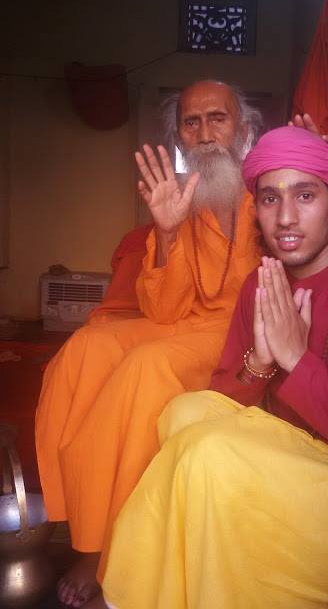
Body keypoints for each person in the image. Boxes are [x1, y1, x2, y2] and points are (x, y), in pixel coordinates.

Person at [100, 126, 328, 609]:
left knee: (209, 455)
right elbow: (227, 399)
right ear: (257, 209)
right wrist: (263, 361)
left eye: (305, 196)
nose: (285, 217)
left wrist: (298, 361)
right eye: (269, 199)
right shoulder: (261, 287)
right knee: (183, 414)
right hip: (300, 467)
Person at [36, 80, 263, 607]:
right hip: (181, 320)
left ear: (243, 128)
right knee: (84, 350)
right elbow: (163, 308)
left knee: (146, 366)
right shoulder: (186, 198)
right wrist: (164, 233)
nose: (205, 133)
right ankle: (75, 519)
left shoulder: (270, 188)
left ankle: (106, 547)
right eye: (192, 122)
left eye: (217, 118)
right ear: (181, 137)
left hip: (239, 329)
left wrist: (319, 157)